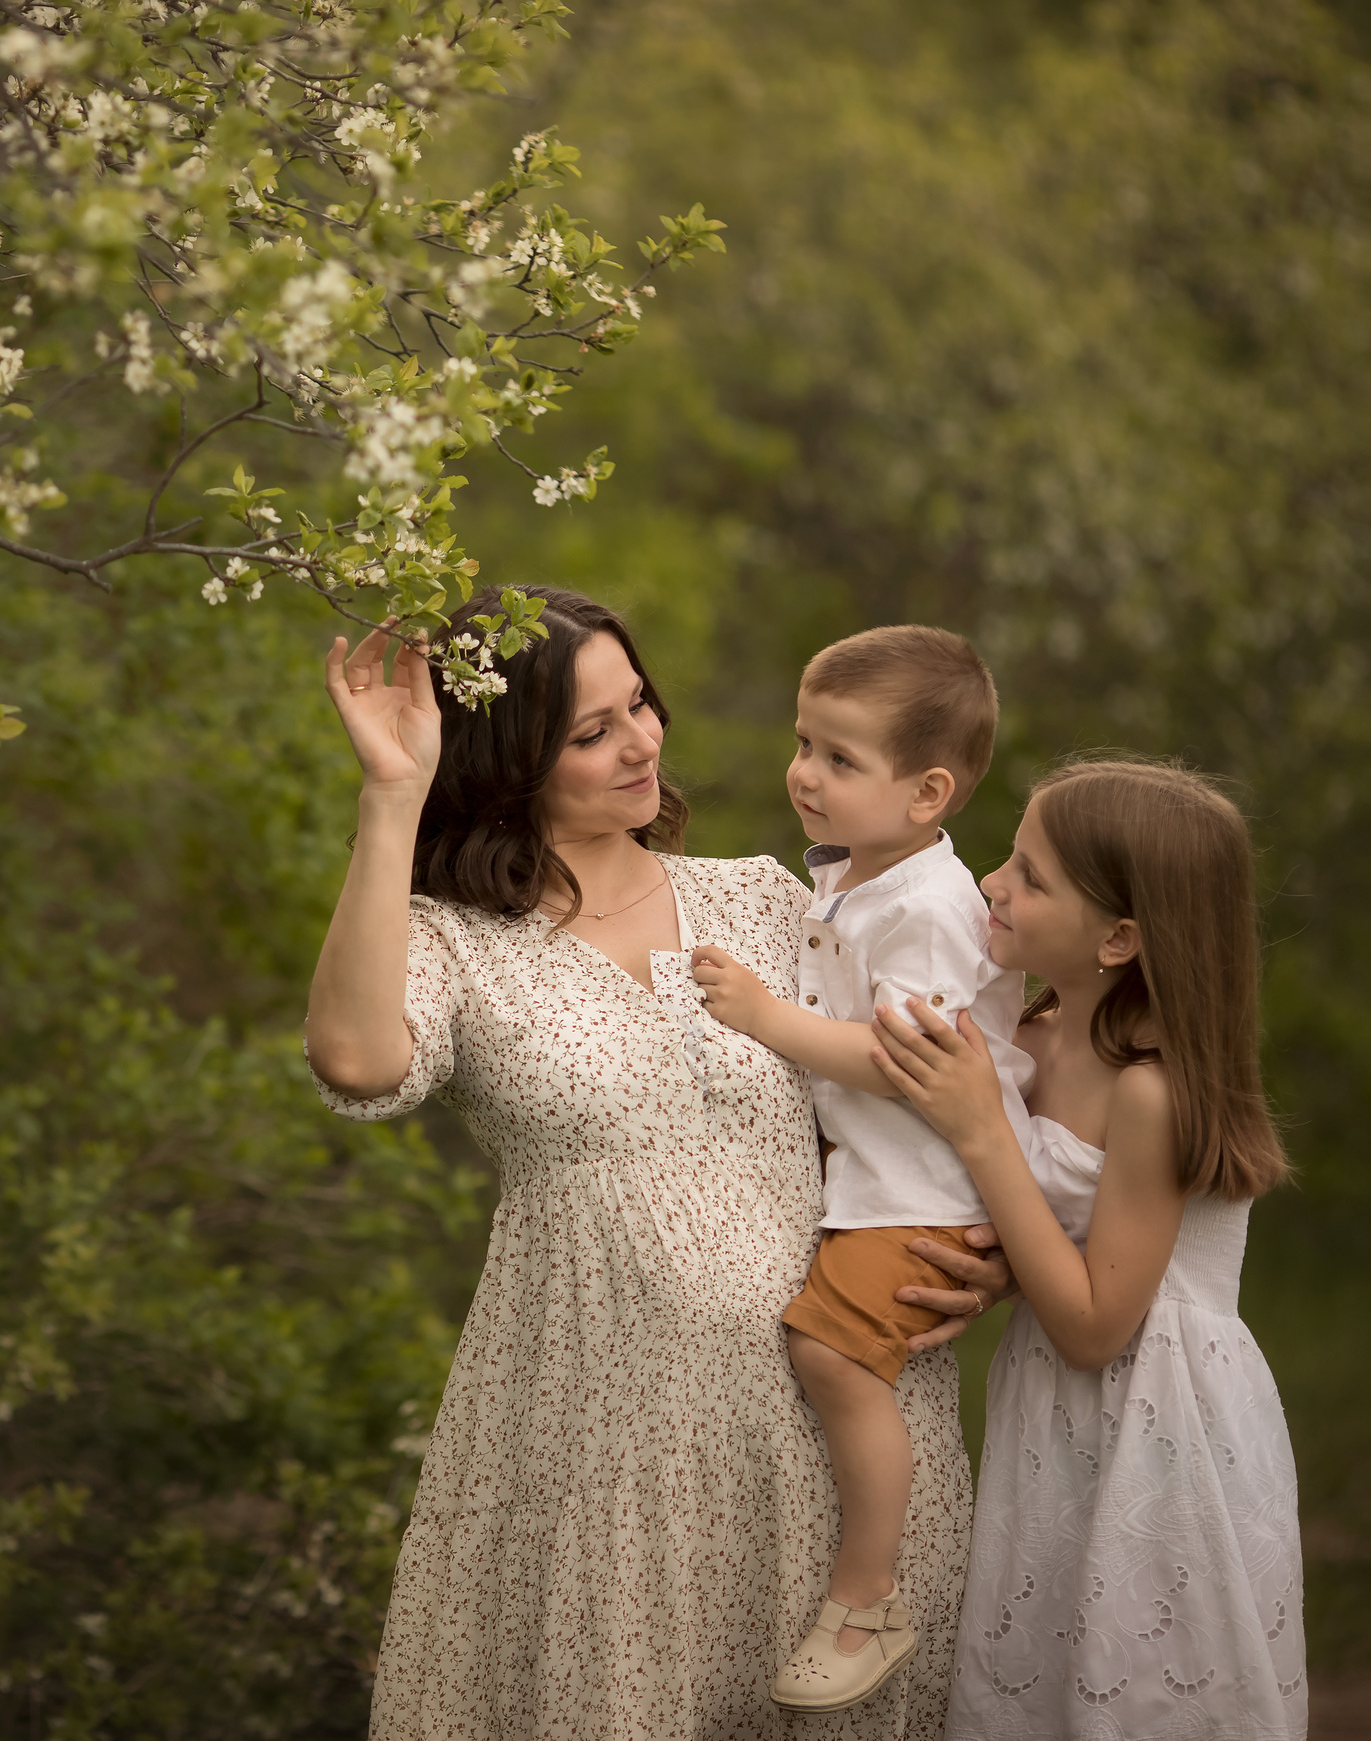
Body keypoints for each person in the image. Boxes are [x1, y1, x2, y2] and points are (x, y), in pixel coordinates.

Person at [303, 586, 1008, 1739]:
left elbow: (923, 1103)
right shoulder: (453, 940)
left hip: (837, 1438)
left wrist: (994, 1252)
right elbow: (358, 1059)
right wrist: (393, 796)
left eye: (639, 705)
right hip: (604, 1452)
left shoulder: (769, 898)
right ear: (507, 759)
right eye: (590, 732)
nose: (638, 742)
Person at [865, 759, 1307, 1739]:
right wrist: (999, 1273)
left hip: (1162, 1424)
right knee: (1044, 1671)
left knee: (1140, 1683)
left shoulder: (1151, 1089)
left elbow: (1099, 1326)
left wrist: (984, 1128)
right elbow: (1056, 1239)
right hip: (1055, 1418)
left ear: (1118, 937)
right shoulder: (1035, 1026)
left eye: (1030, 874)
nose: (990, 881)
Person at [688, 626, 1036, 1713]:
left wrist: (762, 1015)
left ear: (927, 791)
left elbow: (904, 1061)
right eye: (803, 743)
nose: (803, 773)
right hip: (879, 1178)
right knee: (822, 1351)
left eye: (840, 759)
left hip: (923, 1189)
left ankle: (866, 1594)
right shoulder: (859, 879)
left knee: (830, 1356)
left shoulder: (928, 909)